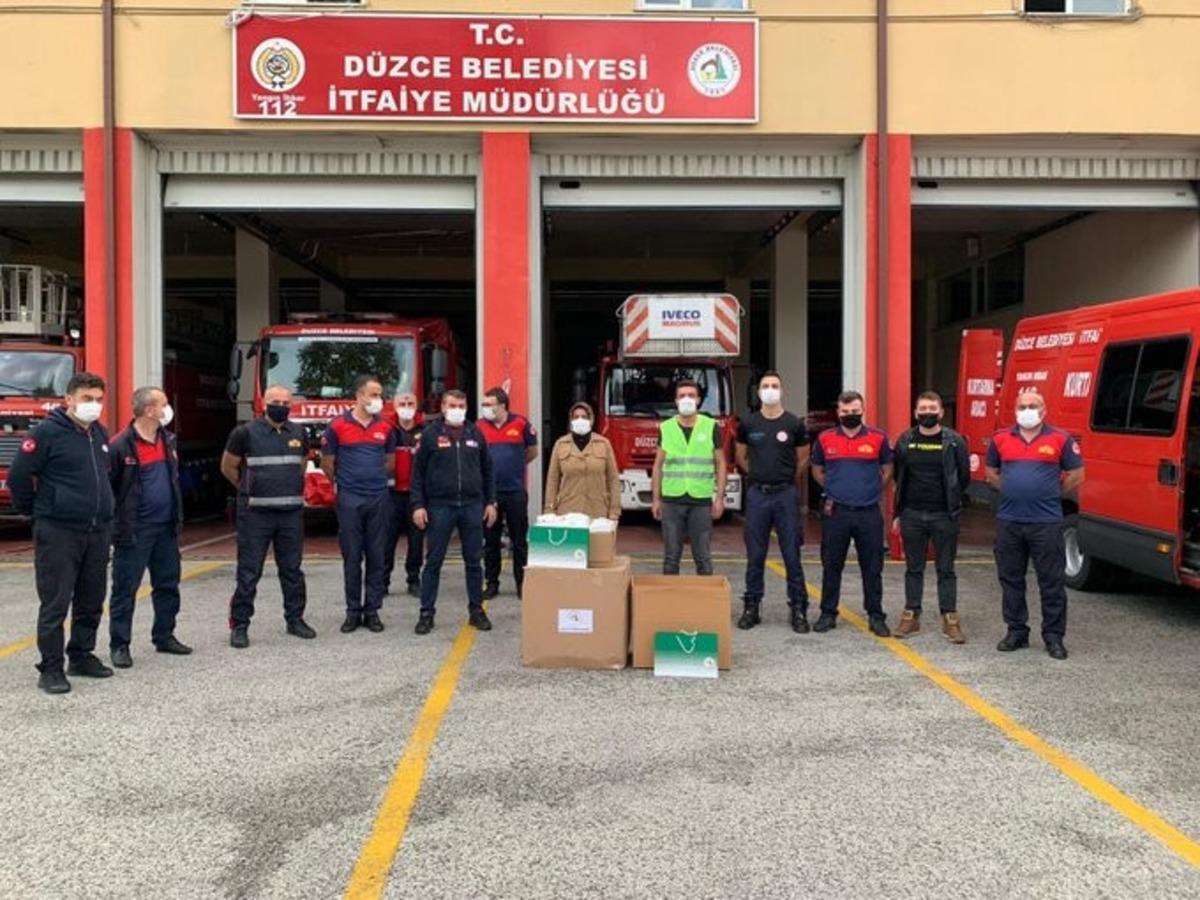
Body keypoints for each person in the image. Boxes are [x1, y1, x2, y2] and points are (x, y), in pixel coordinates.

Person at [9, 372, 115, 693]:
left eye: (98, 399)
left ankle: (81, 655)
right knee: (56, 602)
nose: (93, 405)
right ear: (69, 399)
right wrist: (38, 512)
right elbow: (18, 477)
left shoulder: (98, 433)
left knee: (91, 598)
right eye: (86, 399)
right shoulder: (46, 433)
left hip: (96, 531)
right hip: (58, 531)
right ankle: (51, 668)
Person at [985, 389, 1084, 660]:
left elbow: (1077, 474)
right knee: (1011, 579)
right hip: (1010, 521)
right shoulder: (1001, 438)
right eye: (1022, 406)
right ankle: (1016, 631)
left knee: (1051, 582)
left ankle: (1054, 637)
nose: (1027, 410)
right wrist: (1013, 490)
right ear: (1015, 410)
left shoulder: (1060, 439)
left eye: (1033, 405)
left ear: (1044, 411)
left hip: (1046, 522)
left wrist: (1051, 492)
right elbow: (991, 473)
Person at [221, 384, 315, 648]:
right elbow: (228, 467)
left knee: (292, 570)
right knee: (249, 572)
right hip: (255, 514)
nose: (281, 407)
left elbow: (301, 464)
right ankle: (240, 625)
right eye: (276, 402)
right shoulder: (244, 433)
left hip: (290, 514)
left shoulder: (299, 432)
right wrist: (248, 488)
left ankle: (295, 619)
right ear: (264, 404)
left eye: (286, 403)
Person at [107, 385, 192, 668]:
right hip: (135, 531)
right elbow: (110, 490)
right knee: (125, 590)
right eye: (163, 404)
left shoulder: (168, 440)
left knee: (167, 585)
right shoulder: (120, 445)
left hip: (166, 528)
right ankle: (120, 645)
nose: (168, 409)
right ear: (148, 410)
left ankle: (164, 636)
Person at [410, 389, 498, 635]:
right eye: (452, 405)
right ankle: (426, 613)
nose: (457, 410)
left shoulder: (476, 433)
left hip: (472, 506)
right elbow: (417, 473)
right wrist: (418, 505)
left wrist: (491, 502)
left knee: (474, 562)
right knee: (433, 562)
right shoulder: (430, 435)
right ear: (443, 407)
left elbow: (488, 470)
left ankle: (476, 611)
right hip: (440, 506)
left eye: (461, 405)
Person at [810, 390, 893, 637]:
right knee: (831, 565)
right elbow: (817, 469)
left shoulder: (878, 438)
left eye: (855, 411)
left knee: (873, 567)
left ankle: (876, 615)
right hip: (836, 512)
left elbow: (888, 467)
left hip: (869, 512)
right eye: (845, 411)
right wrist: (833, 488)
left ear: (863, 410)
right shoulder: (825, 438)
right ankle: (828, 613)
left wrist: (874, 488)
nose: (850, 415)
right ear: (838, 412)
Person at [891, 390, 971, 643]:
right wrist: (899, 513)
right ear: (915, 413)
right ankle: (911, 615)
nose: (928, 413)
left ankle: (950, 619)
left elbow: (963, 477)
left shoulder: (955, 441)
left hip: (944, 515)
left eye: (932, 409)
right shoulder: (905, 440)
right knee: (913, 568)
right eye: (923, 409)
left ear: (941, 412)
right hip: (912, 514)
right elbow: (898, 476)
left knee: (946, 569)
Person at [735, 371, 811, 632]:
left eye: (774, 385)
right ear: (758, 392)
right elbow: (741, 457)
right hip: (757, 495)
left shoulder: (793, 424)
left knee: (792, 553)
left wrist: (785, 478)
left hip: (785, 495)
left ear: (782, 390)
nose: (770, 389)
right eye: (765, 386)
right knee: (755, 555)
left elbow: (803, 458)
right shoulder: (748, 423)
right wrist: (759, 475)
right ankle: (752, 606)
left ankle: (798, 607)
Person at [321, 375, 396, 634]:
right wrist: (345, 484)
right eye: (374, 395)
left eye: (380, 395)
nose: (379, 399)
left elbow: (390, 462)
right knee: (352, 556)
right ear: (359, 396)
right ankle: (353, 612)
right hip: (350, 499)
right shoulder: (337, 426)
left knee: (376, 555)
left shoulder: (385, 427)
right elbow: (327, 463)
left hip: (378, 497)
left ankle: (372, 611)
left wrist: (372, 479)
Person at [651, 379, 727, 576]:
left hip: (700, 500)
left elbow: (721, 463)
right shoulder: (666, 428)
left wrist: (719, 498)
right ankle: (671, 595)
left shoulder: (711, 426)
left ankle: (706, 595)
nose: (687, 399)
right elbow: (658, 466)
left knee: (703, 557)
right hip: (671, 500)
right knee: (671, 557)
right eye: (682, 396)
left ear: (699, 400)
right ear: (676, 401)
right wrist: (656, 499)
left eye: (691, 395)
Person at [478, 386, 538, 600]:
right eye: (484, 404)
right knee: (490, 541)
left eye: (489, 404)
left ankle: (522, 584)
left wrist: (515, 467)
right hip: (489, 495)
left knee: (519, 541)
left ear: (502, 405)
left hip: (515, 492)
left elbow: (532, 452)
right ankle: (491, 583)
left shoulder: (521, 424)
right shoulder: (479, 426)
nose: (485, 408)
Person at [544, 402, 621, 520]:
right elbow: (553, 479)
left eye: (584, 417)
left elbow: (613, 479)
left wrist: (614, 510)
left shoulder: (603, 444)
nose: (580, 420)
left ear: (591, 420)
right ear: (571, 421)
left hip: (597, 511)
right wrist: (549, 509)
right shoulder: (561, 444)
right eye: (576, 417)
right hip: (567, 511)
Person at [382, 390, 426, 597]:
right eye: (402, 403)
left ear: (417, 406)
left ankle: (414, 580)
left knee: (416, 541)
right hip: (390, 495)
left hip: (417, 496)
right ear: (394, 406)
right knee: (386, 541)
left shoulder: (427, 430)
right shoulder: (385, 429)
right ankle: (382, 581)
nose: (406, 407)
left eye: (410, 403)